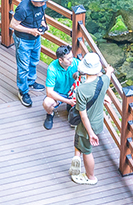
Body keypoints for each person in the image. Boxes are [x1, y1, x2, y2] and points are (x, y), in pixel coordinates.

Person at [69, 52, 113, 186]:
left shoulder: (82, 89)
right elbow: (106, 76)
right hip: (98, 121)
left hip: (87, 126)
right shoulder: (104, 80)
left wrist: (91, 134)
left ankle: (91, 177)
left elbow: (83, 116)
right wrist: (109, 71)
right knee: (83, 144)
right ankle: (77, 156)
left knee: (87, 151)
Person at [8, 0, 51, 108]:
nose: (43, 4)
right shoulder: (23, 8)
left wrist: (43, 23)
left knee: (34, 61)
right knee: (23, 66)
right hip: (24, 40)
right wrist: (30, 31)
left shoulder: (42, 4)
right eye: (41, 1)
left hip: (36, 37)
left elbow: (41, 14)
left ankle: (31, 82)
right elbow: (13, 25)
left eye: (44, 1)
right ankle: (23, 91)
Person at [42, 45, 79, 130]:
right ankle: (50, 114)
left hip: (73, 91)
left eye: (72, 57)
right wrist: (68, 101)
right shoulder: (52, 68)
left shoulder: (77, 63)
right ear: (60, 60)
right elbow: (49, 92)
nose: (71, 60)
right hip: (59, 93)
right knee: (47, 103)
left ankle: (72, 110)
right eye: (68, 59)